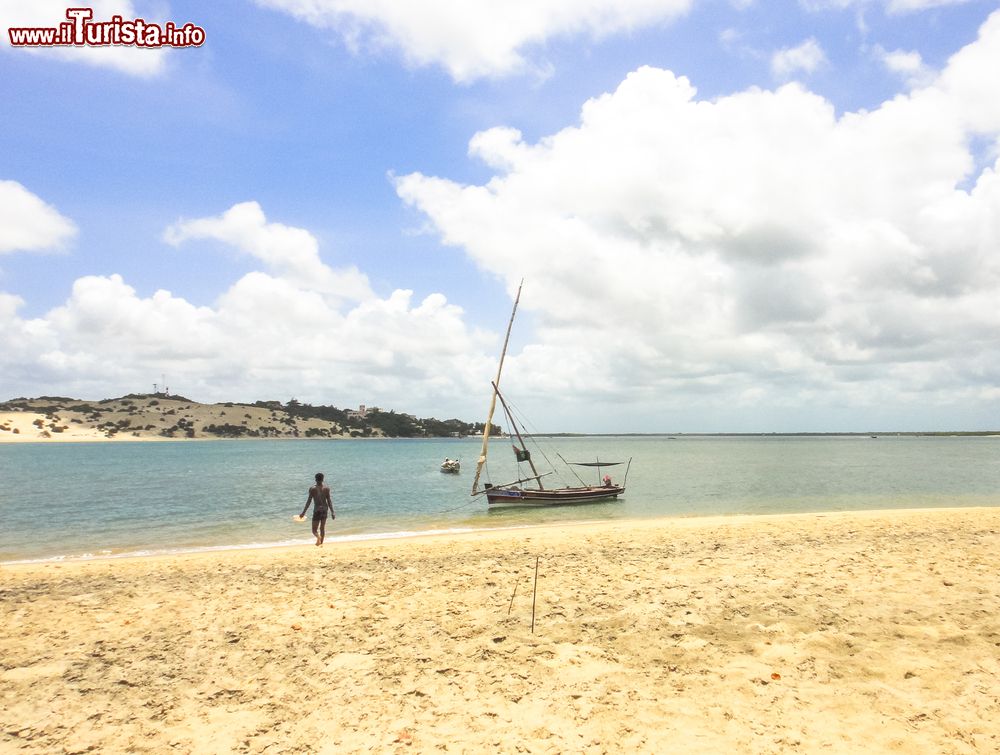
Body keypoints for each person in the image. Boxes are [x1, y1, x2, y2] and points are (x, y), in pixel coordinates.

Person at [300, 472, 335, 546]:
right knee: (322, 528)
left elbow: (309, 501)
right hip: (325, 509)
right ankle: (321, 543)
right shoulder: (326, 488)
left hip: (317, 510)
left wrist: (303, 513)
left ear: (315, 479)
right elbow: (329, 501)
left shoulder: (312, 489)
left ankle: (318, 537)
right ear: (323, 479)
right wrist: (332, 512)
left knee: (314, 530)